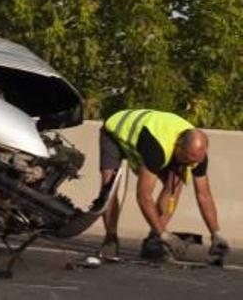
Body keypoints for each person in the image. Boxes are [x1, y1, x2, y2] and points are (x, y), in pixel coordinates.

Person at [98, 108, 229, 260]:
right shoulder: (157, 148)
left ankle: (154, 240)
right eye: (187, 159)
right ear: (178, 146)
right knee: (110, 187)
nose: (190, 165)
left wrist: (216, 233)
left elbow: (204, 195)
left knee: (175, 184)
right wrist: (165, 234)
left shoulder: (196, 156)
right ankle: (111, 239)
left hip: (150, 139)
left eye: (194, 161)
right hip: (116, 130)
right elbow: (143, 197)